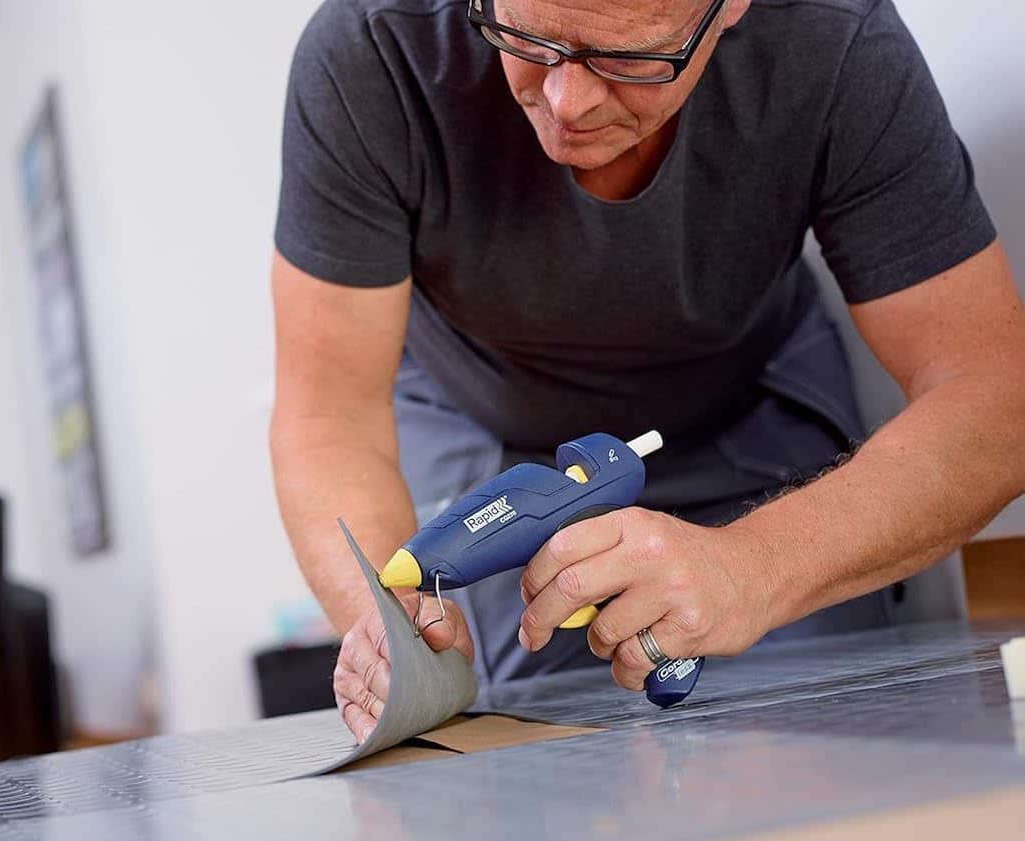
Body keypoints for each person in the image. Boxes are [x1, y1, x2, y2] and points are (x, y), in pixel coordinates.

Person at [268, 0, 1025, 742]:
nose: (567, 101)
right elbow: (327, 415)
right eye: (526, 41)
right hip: (489, 434)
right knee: (517, 743)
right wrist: (379, 616)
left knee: (818, 735)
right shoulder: (371, 50)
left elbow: (999, 395)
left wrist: (754, 565)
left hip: (746, 409)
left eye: (630, 58)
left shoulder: (837, 40)